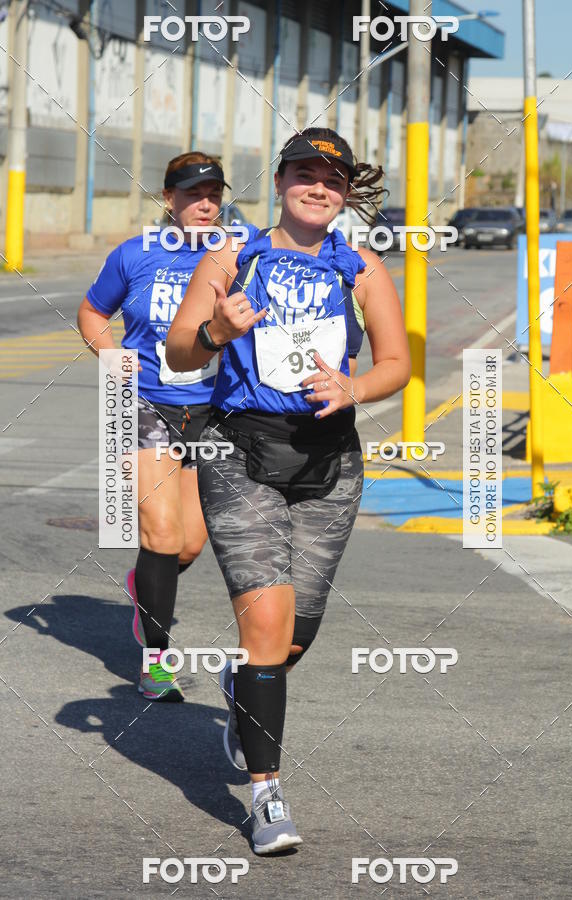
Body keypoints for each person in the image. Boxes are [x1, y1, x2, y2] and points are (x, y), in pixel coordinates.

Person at [166, 127, 410, 853]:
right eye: (303, 173)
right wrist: (214, 327)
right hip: (239, 452)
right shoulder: (232, 256)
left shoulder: (360, 267)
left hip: (330, 461)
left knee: (295, 634)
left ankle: (243, 687)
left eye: (331, 180)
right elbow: (180, 353)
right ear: (278, 182)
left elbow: (397, 361)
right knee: (266, 628)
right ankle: (268, 796)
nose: (317, 187)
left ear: (343, 194)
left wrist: (355, 385)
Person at [78, 152, 233, 701]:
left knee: (188, 545)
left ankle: (144, 587)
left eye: (213, 193)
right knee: (161, 536)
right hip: (144, 403)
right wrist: (115, 360)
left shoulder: (239, 250)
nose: (205, 204)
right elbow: (93, 313)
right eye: (193, 194)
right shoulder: (136, 254)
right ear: (169, 200)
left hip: (214, 412)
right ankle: (156, 662)